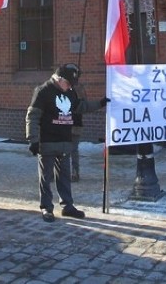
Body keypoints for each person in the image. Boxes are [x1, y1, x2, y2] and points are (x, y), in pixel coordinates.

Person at [25, 63, 107, 222]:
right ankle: (47, 208)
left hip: (64, 141)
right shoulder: (43, 91)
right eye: (68, 83)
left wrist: (101, 103)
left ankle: (67, 206)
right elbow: (32, 116)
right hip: (47, 141)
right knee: (46, 177)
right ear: (59, 79)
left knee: (64, 177)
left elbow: (80, 106)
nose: (70, 86)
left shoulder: (70, 92)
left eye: (72, 84)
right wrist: (33, 140)